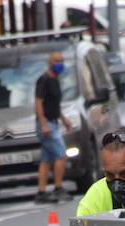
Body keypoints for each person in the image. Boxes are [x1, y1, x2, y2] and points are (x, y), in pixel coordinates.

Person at [35, 51, 74, 203]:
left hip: (54, 122)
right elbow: (38, 103)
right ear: (49, 63)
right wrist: (43, 123)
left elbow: (55, 105)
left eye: (62, 60)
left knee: (46, 159)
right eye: (57, 61)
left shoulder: (55, 80)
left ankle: (41, 192)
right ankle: (58, 188)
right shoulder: (44, 80)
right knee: (61, 155)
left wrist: (64, 120)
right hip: (46, 124)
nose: (60, 64)